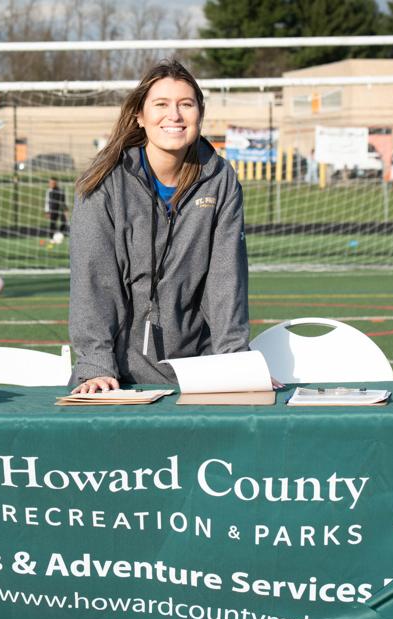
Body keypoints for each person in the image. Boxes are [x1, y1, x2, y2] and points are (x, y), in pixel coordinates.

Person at [67, 59, 256, 404]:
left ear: (200, 113)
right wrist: (95, 365)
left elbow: (226, 279)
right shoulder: (104, 183)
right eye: (161, 104)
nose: (175, 115)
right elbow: (94, 281)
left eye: (186, 104)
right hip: (118, 375)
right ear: (139, 115)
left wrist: (235, 363)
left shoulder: (220, 179)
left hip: (199, 370)